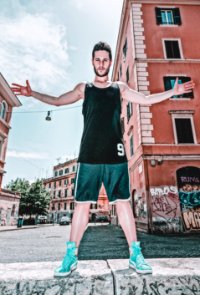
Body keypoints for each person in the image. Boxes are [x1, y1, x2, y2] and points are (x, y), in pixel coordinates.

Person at [11, 41, 195, 277]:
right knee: (81, 206)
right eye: (97, 59)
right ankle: (71, 256)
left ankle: (135, 254)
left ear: (109, 62)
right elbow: (57, 100)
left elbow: (147, 100)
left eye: (105, 59)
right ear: (92, 62)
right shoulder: (83, 88)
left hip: (116, 155)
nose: (101, 63)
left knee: (123, 204)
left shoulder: (120, 88)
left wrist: (173, 92)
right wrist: (32, 93)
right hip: (88, 155)